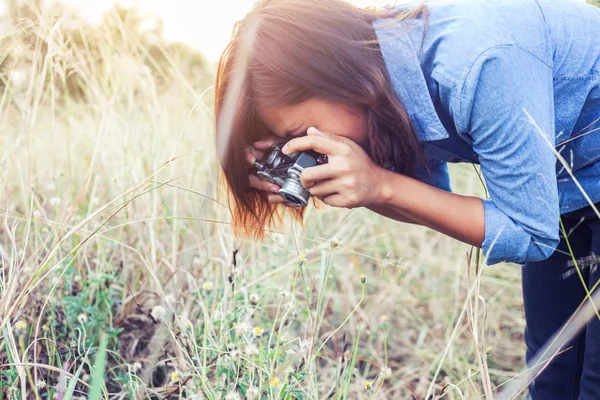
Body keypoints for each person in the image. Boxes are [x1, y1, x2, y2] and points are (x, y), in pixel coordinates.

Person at [213, 0, 600, 398]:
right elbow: (435, 200)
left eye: (299, 131)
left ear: (335, 76)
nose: (306, 148)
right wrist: (358, 185)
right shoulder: (389, 72)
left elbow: (529, 235)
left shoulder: (479, 61)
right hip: (564, 185)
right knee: (552, 367)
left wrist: (381, 185)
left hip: (569, 183)